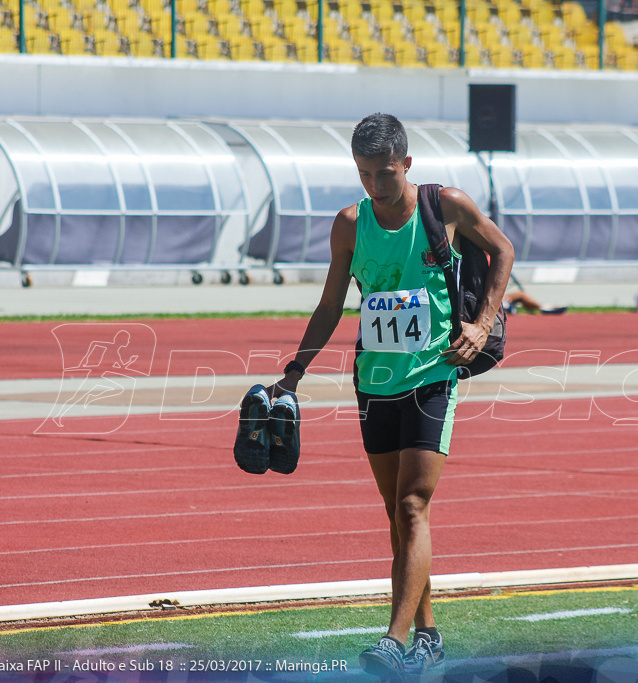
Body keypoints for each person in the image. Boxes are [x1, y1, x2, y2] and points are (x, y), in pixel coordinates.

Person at [257, 113, 514, 678]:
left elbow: (502, 250)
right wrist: (293, 374)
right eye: (365, 174)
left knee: (413, 504)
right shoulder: (349, 224)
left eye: (385, 173)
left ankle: (393, 641)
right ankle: (428, 635)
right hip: (373, 382)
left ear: (408, 163)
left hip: (432, 374)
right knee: (398, 517)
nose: (376, 185)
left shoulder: (443, 206)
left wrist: (482, 322)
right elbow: (330, 305)